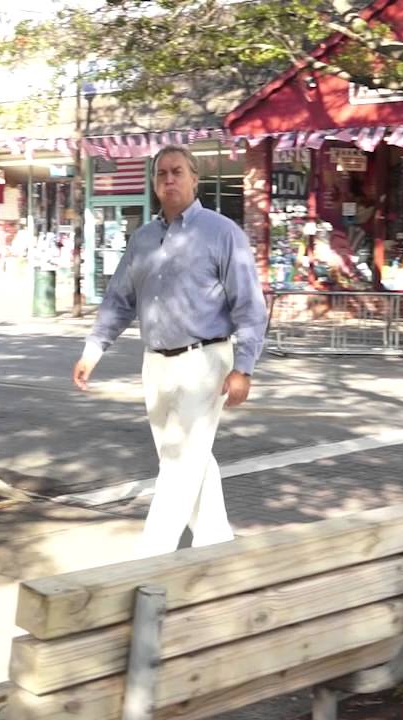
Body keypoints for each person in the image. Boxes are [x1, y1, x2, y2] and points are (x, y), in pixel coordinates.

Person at [72, 144, 268, 558]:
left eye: (177, 171)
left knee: (180, 462)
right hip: (155, 364)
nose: (169, 179)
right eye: (161, 173)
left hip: (205, 363)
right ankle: (217, 546)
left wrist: (244, 367)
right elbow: (119, 300)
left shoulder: (223, 233)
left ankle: (150, 560)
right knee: (187, 460)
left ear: (195, 179)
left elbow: (250, 306)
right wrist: (93, 351)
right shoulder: (143, 239)